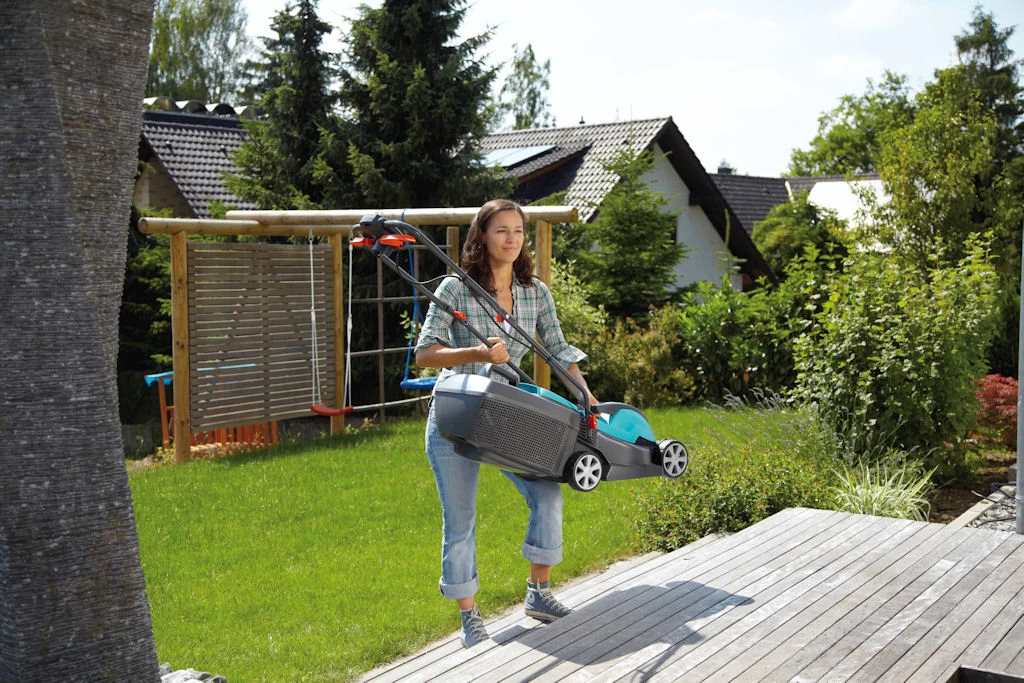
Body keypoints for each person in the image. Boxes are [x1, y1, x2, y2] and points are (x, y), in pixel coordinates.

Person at [414, 198, 598, 648]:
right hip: (457, 415)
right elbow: (425, 353)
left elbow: (559, 351)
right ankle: (470, 618)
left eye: (518, 230)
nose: (512, 238)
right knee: (461, 520)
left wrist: (588, 400)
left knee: (548, 494)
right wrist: (478, 352)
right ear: (482, 236)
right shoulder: (456, 288)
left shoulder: (534, 292)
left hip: (508, 413)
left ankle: (539, 593)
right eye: (501, 230)